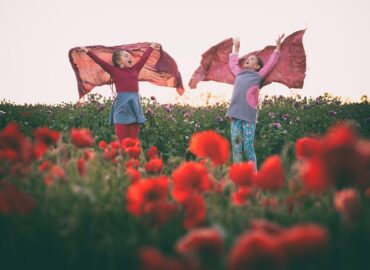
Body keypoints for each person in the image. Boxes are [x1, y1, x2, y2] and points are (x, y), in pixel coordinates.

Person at [80, 43, 161, 141]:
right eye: (126, 56)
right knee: (122, 143)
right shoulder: (114, 71)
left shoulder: (135, 69)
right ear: (119, 61)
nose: (129, 57)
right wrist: (87, 51)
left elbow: (144, 58)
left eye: (129, 55)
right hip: (121, 108)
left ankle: (132, 156)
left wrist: (151, 47)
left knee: (133, 142)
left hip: (134, 107)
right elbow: (100, 62)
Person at [226, 34, 285, 169]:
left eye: (252, 59)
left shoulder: (258, 75)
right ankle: (238, 174)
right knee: (236, 146)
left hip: (248, 116)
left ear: (257, 66)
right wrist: (236, 48)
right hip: (235, 114)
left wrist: (277, 48)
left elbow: (270, 64)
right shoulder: (238, 73)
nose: (247, 59)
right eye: (247, 58)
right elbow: (232, 63)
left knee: (247, 146)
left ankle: (253, 175)